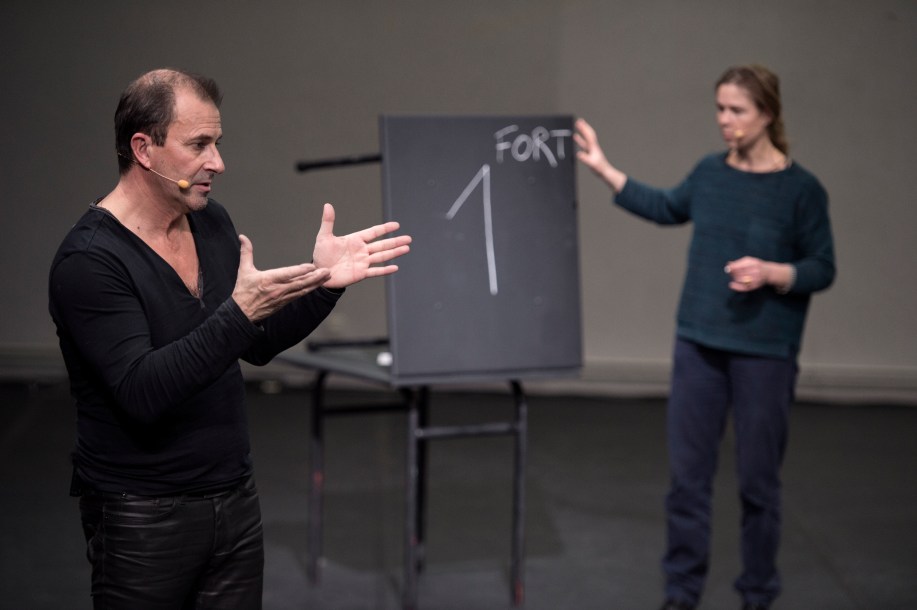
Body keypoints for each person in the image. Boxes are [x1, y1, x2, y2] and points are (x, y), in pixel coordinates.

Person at [48, 68, 411, 609]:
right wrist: (239, 315)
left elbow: (253, 342)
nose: (217, 162)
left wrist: (325, 287)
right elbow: (142, 391)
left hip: (234, 499)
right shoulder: (91, 261)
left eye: (216, 143)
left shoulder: (209, 222)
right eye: (199, 145)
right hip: (142, 516)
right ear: (144, 149)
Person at [575, 65, 835, 610]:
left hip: (765, 352)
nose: (724, 120)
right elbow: (666, 207)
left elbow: (821, 266)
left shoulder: (801, 190)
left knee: (758, 484)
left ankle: (757, 593)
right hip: (699, 344)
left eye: (737, 110)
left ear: (767, 114)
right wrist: (603, 169)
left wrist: (772, 272)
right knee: (687, 481)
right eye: (719, 108)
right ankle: (682, 592)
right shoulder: (710, 173)